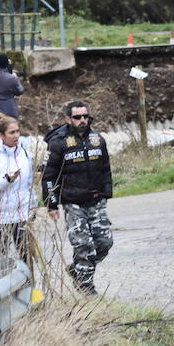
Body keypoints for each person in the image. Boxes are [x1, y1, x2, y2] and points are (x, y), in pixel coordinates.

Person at [42, 100, 113, 295]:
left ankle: (78, 270)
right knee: (83, 245)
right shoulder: (58, 143)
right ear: (68, 119)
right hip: (72, 202)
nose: (82, 120)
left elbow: (106, 168)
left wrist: (106, 192)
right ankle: (86, 287)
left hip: (96, 200)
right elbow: (49, 176)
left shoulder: (97, 139)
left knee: (104, 243)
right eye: (77, 117)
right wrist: (52, 204)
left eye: (85, 116)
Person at [0, 113, 35, 265]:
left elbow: (29, 184)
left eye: (17, 131)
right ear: (1, 135)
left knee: (27, 258)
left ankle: (30, 288)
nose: (16, 135)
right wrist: (6, 180)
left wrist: (33, 208)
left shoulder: (25, 154)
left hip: (21, 216)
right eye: (12, 132)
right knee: (1, 260)